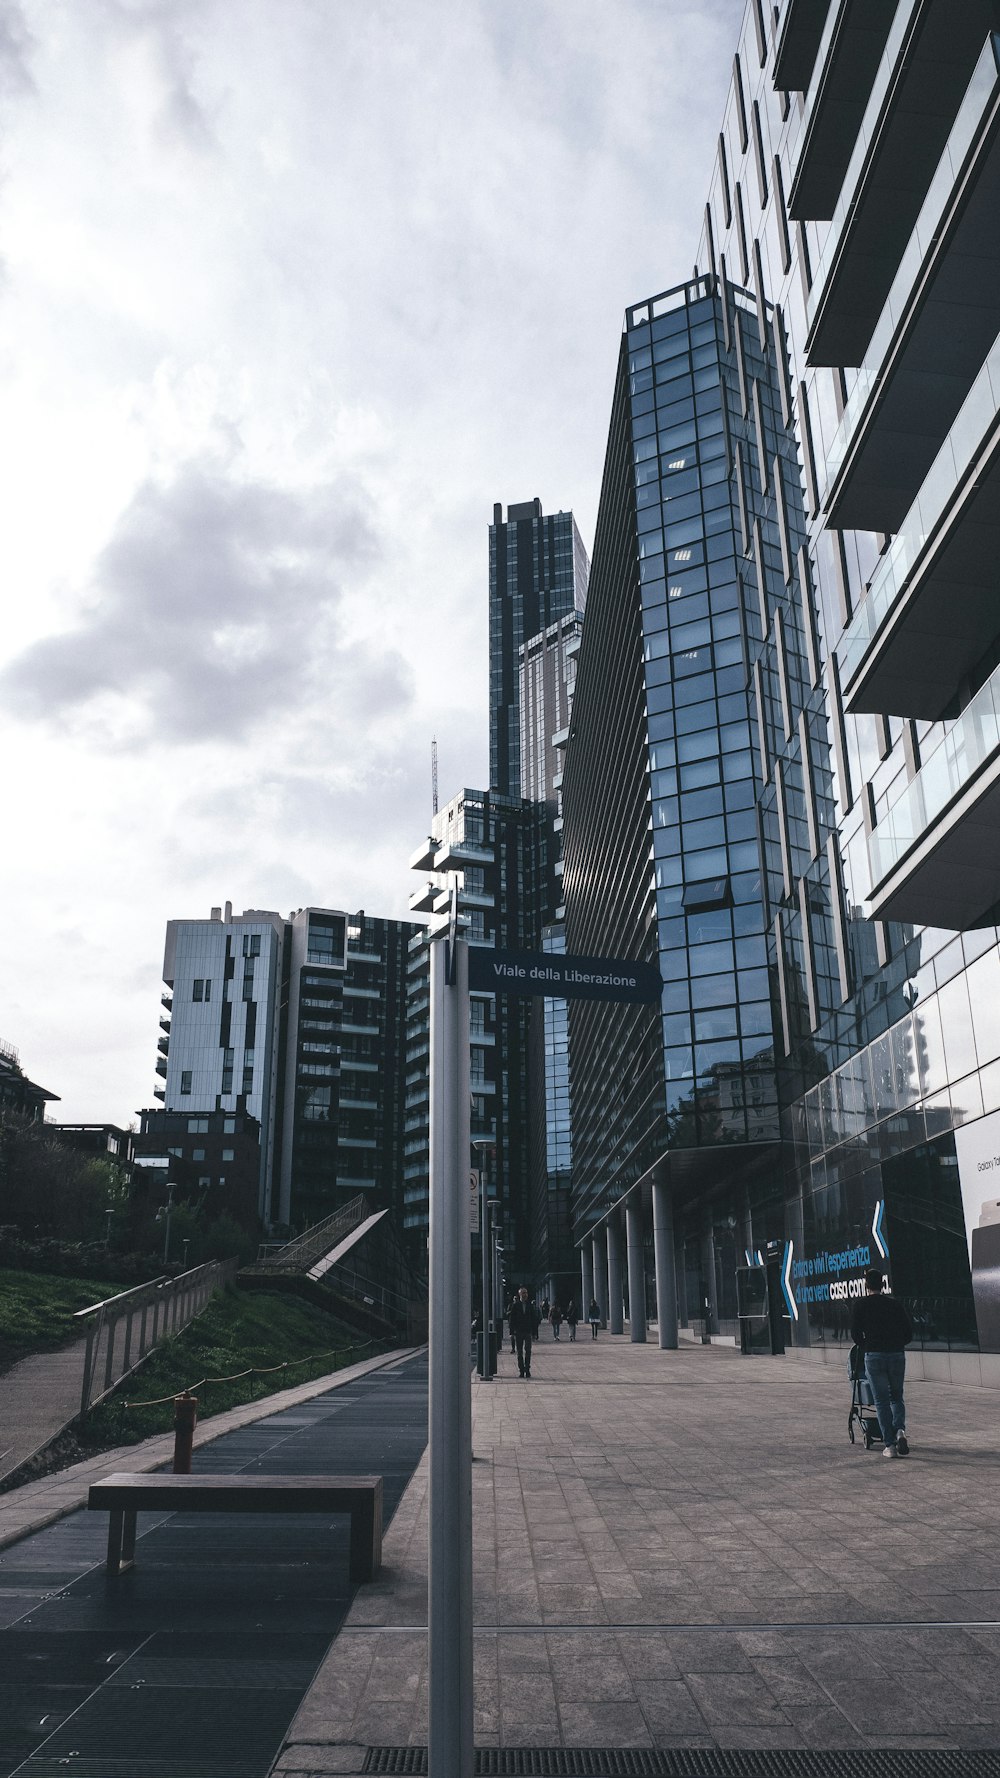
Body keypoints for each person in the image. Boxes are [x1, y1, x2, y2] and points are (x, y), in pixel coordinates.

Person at [850, 1267, 913, 1458]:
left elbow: (855, 1335)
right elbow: (908, 1333)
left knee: (881, 1401)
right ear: (883, 1284)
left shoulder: (860, 1306)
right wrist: (896, 1344)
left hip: (874, 1355)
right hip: (896, 1354)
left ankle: (890, 1445)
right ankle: (900, 1430)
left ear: (866, 1285)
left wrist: (867, 1345)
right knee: (896, 1396)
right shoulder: (895, 1305)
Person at [509, 1286, 539, 1379]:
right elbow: (512, 1319)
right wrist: (512, 1332)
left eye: (526, 1293)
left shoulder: (531, 1306)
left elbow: (534, 1320)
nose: (525, 1294)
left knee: (528, 1351)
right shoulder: (516, 1305)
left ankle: (527, 1370)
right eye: (523, 1293)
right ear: (519, 1294)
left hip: (528, 1331)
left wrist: (535, 1333)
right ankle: (521, 1370)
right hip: (518, 1331)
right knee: (519, 1352)